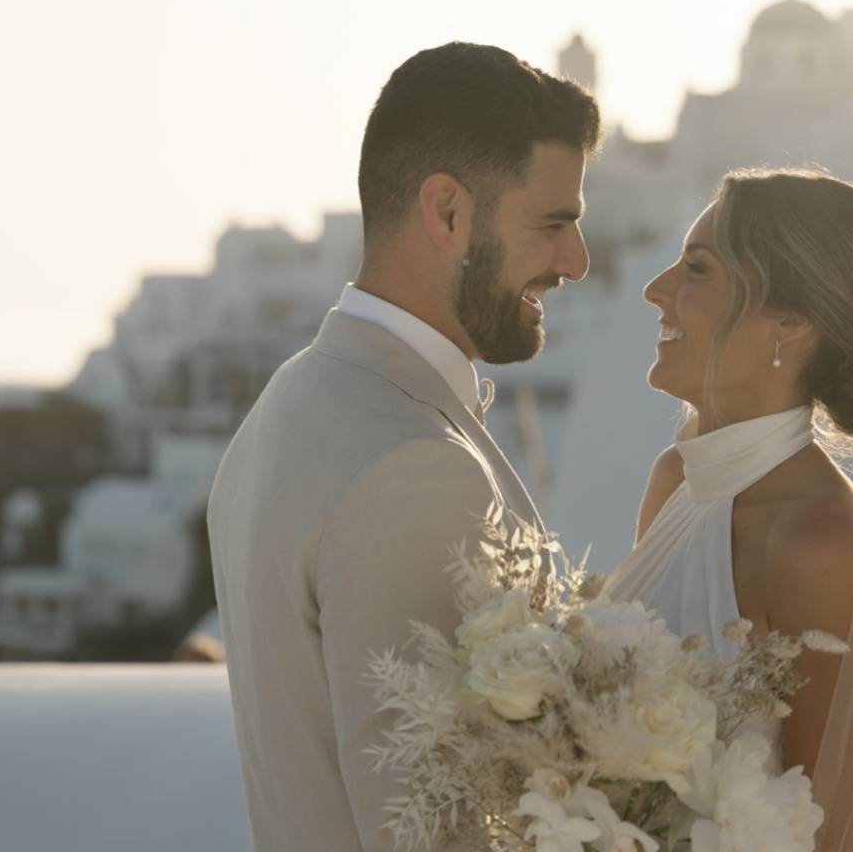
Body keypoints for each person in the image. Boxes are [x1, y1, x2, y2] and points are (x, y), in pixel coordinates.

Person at [207, 41, 602, 852]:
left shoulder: (291, 401)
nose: (576, 261)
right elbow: (428, 829)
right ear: (448, 212)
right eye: (554, 224)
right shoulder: (411, 470)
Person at [604, 167, 853, 852]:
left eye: (697, 269)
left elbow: (838, 837)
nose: (655, 289)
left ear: (787, 321)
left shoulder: (823, 546)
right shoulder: (675, 482)